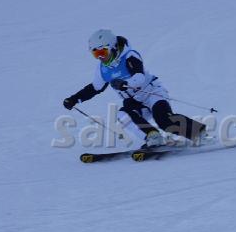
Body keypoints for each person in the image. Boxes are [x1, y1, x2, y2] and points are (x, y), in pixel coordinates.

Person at [63, 29, 205, 147]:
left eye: (103, 52)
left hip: (151, 93)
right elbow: (95, 88)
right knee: (122, 115)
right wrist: (74, 99)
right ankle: (153, 137)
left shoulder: (129, 55)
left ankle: (199, 133)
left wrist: (124, 84)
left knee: (163, 120)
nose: (101, 57)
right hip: (134, 101)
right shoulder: (103, 69)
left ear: (112, 47)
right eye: (96, 54)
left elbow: (139, 77)